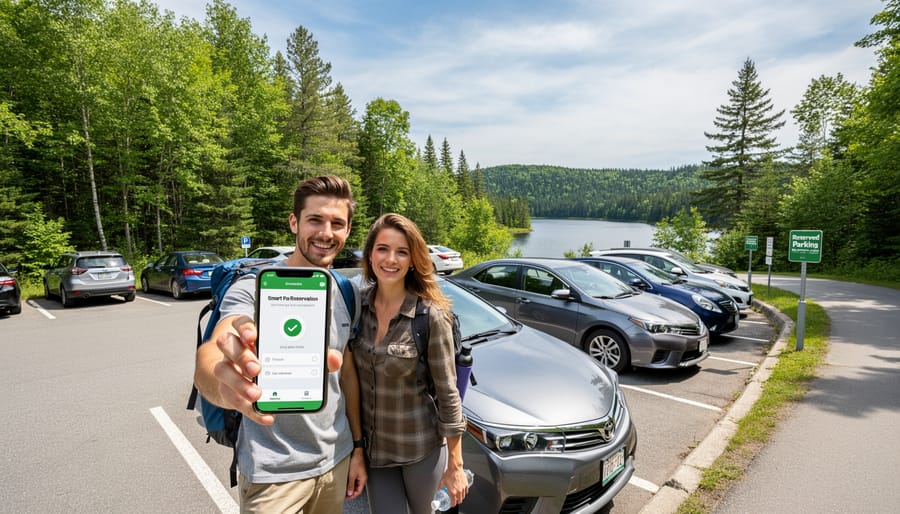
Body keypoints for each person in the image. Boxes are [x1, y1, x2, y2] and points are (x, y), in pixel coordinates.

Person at [194, 175, 367, 513]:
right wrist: (218, 383)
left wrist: (357, 447)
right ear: (294, 223)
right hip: (272, 474)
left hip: (336, 460)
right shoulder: (253, 288)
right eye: (315, 220)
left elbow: (346, 374)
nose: (326, 233)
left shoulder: (347, 293)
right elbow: (217, 346)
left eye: (337, 223)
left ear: (347, 230)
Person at [350, 213, 469, 514]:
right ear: (370, 255)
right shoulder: (356, 307)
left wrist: (455, 465)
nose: (391, 259)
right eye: (383, 249)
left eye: (402, 252)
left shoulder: (430, 316)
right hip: (376, 454)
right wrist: (357, 449)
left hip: (421, 450)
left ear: (413, 260)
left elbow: (448, 394)